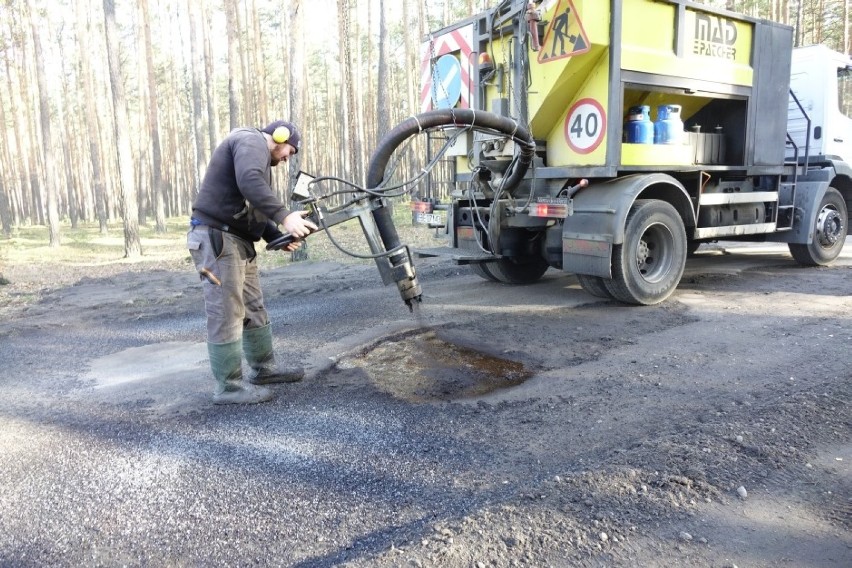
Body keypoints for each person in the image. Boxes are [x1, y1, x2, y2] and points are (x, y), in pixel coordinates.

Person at [187, 120, 318, 405]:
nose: (287, 159)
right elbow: (249, 184)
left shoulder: (256, 155)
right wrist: (285, 216)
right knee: (227, 310)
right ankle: (229, 387)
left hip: (237, 240)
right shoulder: (250, 141)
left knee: (253, 306)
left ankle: (264, 370)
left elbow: (253, 207)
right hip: (217, 238)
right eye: (290, 152)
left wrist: (276, 235)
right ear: (280, 137)